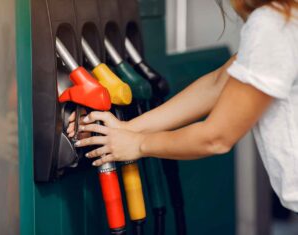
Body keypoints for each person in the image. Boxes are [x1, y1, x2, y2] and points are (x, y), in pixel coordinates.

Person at [67, 0, 298, 212]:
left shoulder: (274, 24)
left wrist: (139, 144)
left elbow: (216, 138)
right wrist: (126, 130)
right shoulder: (286, 17)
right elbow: (218, 83)